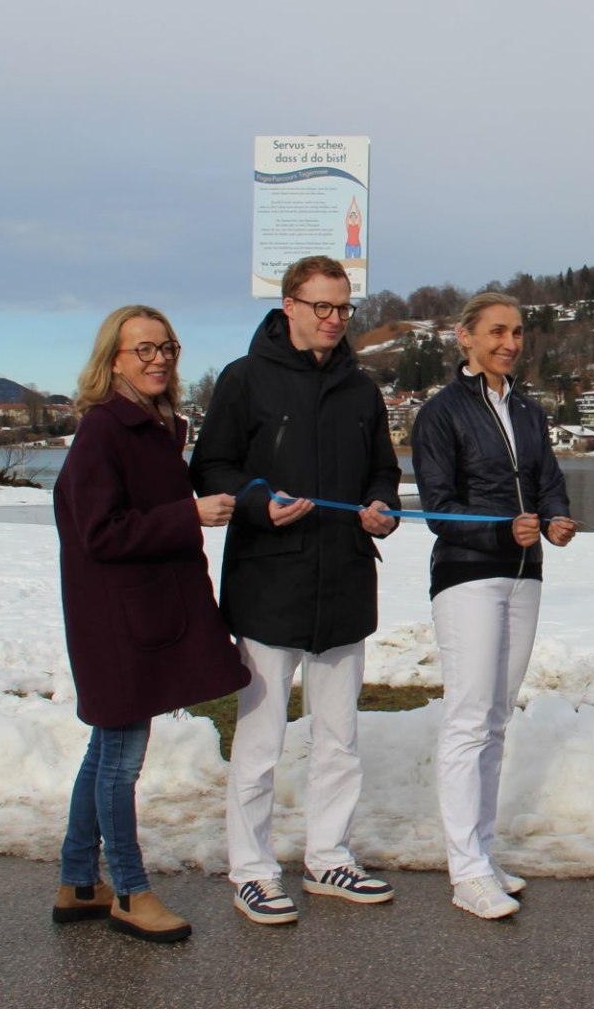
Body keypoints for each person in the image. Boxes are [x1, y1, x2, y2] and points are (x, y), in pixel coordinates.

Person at [190, 255, 402, 926]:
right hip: (269, 581)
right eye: (322, 307)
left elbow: (384, 472)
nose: (336, 319)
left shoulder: (361, 390)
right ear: (289, 306)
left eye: (344, 308)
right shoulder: (244, 379)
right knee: (260, 742)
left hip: (344, 581)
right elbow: (211, 467)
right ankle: (252, 871)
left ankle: (329, 856)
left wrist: (383, 507)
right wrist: (257, 503)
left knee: (340, 738)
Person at [51, 304, 250, 944]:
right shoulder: (104, 430)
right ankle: (130, 892)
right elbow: (99, 532)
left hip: (138, 613)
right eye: (143, 349)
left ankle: (79, 882)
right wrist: (188, 515)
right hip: (116, 622)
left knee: (106, 749)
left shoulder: (155, 426)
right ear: (113, 361)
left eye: (166, 347)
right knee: (121, 760)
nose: (159, 358)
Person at [411, 292, 576, 920]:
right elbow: (438, 508)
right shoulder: (440, 413)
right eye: (498, 332)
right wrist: (502, 529)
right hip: (468, 576)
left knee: (497, 719)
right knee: (469, 717)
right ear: (466, 337)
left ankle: (481, 851)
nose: (510, 343)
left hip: (524, 575)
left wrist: (556, 519)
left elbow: (548, 481)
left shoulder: (528, 411)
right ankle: (465, 871)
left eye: (518, 332)